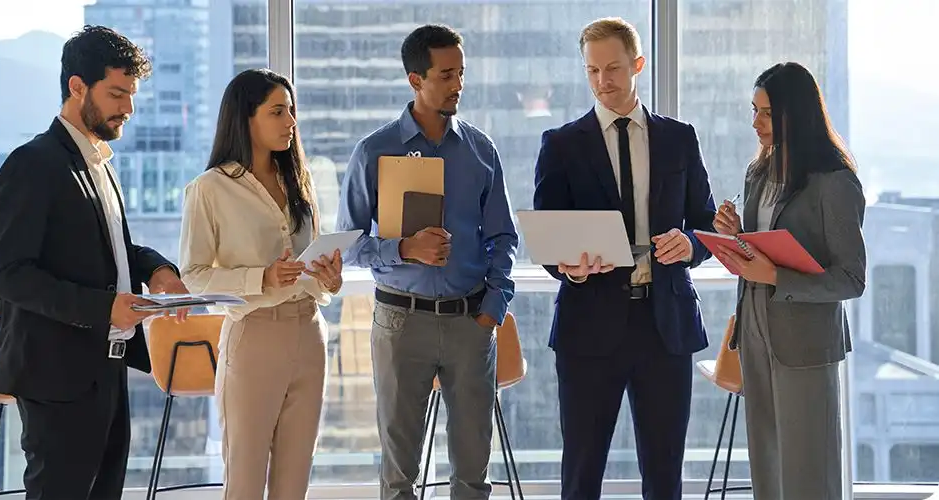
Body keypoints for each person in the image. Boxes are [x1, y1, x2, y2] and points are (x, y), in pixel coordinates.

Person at [0, 25, 190, 499]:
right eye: (117, 93)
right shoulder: (32, 164)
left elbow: (115, 249)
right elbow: (7, 272)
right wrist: (104, 309)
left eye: (132, 95)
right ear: (77, 87)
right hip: (58, 379)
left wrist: (158, 268)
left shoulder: (100, 164)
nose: (129, 109)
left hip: (108, 372)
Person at [532, 17, 717, 500]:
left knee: (664, 477)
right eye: (592, 71)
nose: (602, 81)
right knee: (581, 475)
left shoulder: (680, 138)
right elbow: (551, 234)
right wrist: (566, 268)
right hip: (588, 325)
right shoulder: (562, 144)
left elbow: (704, 222)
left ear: (638, 65)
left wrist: (690, 244)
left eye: (612, 68)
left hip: (665, 325)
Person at [336, 24, 518, 500]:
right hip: (399, 322)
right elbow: (348, 245)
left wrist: (491, 310)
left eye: (461, 73)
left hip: (469, 321)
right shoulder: (374, 152)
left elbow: (504, 237)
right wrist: (403, 248)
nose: (458, 84)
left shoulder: (482, 150)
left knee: (473, 474)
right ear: (415, 80)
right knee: (398, 476)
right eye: (446, 75)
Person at [179, 68, 342, 500]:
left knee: (294, 484)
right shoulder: (209, 189)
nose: (291, 122)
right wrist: (261, 277)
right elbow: (193, 276)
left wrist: (329, 279)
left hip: (310, 336)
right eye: (278, 111)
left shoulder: (300, 182)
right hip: (254, 338)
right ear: (245, 118)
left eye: (291, 112)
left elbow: (316, 275)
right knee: (246, 481)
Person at [712, 62, 866, 500]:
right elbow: (762, 250)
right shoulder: (757, 173)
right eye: (753, 110)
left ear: (793, 115)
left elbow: (851, 279)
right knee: (768, 465)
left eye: (765, 113)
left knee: (808, 472)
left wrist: (777, 275)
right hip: (757, 332)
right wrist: (735, 237)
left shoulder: (834, 183)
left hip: (805, 341)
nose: (754, 122)